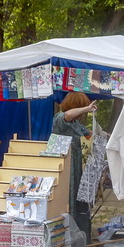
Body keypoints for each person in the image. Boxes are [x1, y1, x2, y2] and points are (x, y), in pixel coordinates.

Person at [52, 92, 98, 239]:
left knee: (79, 200)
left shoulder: (76, 124)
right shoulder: (60, 119)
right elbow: (68, 115)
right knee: (68, 198)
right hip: (65, 168)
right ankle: (68, 236)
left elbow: (91, 134)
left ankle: (80, 237)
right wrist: (87, 108)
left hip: (76, 167)